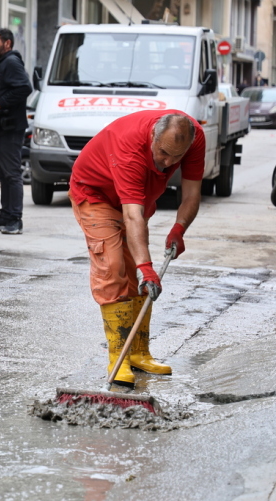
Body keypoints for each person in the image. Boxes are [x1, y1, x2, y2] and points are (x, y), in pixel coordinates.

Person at [69, 110, 205, 388]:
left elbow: (191, 194)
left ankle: (138, 352)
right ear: (154, 136)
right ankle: (118, 358)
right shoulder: (130, 145)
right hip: (95, 193)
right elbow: (132, 217)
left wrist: (179, 228)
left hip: (138, 198)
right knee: (114, 267)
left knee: (136, 276)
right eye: (163, 153)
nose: (168, 163)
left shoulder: (194, 138)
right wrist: (147, 267)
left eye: (176, 157)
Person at [0, 28, 33, 235]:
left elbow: (24, 88)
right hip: (2, 127)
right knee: (3, 172)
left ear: (7, 43)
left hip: (11, 128)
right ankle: (5, 215)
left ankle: (15, 219)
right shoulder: (3, 62)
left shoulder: (11, 62)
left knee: (11, 173)